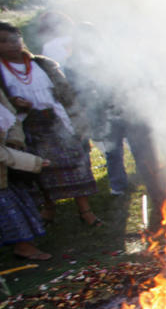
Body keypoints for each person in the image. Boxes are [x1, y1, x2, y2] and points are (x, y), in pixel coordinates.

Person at [0, 22, 101, 227]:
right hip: (27, 126)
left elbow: (66, 94)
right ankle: (48, 208)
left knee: (75, 165)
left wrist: (77, 121)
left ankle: (85, 211)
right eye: (3, 41)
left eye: (15, 39)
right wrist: (15, 104)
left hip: (55, 121)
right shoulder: (1, 72)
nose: (12, 45)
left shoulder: (43, 64)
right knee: (39, 171)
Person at [0, 89, 50, 260]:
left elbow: (11, 118)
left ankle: (24, 246)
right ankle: (22, 247)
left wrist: (14, 141)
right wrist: (32, 162)